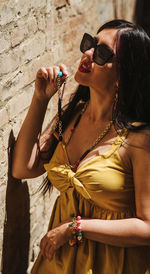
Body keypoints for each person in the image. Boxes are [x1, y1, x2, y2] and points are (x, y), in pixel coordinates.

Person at [12, 19, 150, 274]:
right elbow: (23, 168)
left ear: (125, 73)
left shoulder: (139, 139)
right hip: (59, 263)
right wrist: (41, 99)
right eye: (90, 43)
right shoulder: (72, 116)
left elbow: (147, 227)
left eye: (101, 53)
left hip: (113, 264)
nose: (87, 53)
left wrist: (75, 228)